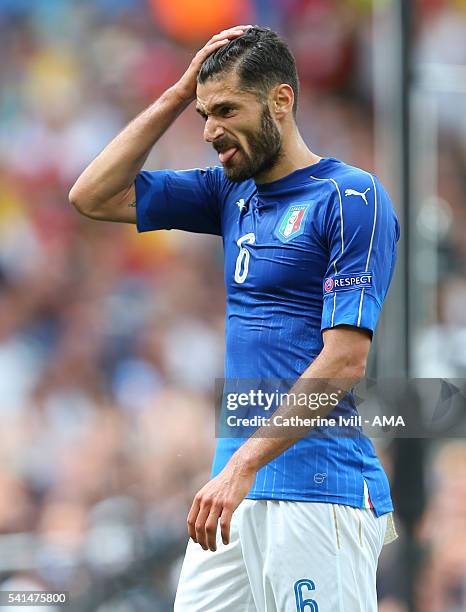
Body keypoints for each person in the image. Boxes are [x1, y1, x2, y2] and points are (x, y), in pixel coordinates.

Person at [70, 25, 400, 612]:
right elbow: (92, 196)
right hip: (229, 499)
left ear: (281, 99)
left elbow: (346, 358)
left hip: (317, 492)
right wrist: (177, 92)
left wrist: (243, 464)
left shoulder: (351, 198)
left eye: (225, 109)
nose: (208, 131)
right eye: (202, 112)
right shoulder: (228, 194)